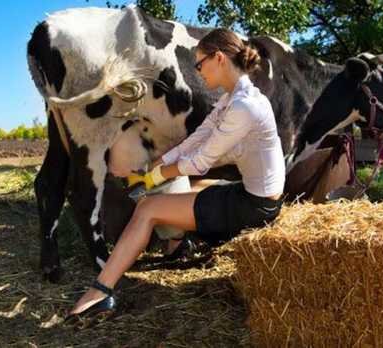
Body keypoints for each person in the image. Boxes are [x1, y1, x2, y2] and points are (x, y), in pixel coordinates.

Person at [66, 28, 286, 321]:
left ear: (218, 58)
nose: (197, 72)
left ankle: (100, 292)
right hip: (253, 193)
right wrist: (157, 166)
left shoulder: (244, 105)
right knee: (188, 189)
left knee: (147, 209)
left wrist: (153, 178)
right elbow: (197, 139)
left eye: (199, 64)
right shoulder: (234, 98)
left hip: (254, 207)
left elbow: (201, 160)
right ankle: (178, 243)